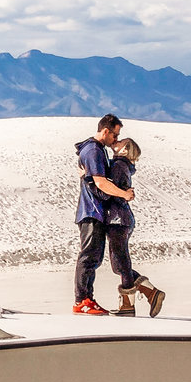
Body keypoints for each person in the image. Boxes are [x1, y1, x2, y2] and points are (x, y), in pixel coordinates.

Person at [72, 115, 166, 317]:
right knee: (95, 258)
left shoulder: (114, 161)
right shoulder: (95, 151)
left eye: (119, 137)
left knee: (114, 262)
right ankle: (85, 301)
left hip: (110, 217)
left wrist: (88, 180)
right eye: (116, 134)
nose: (116, 139)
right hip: (94, 212)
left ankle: (133, 301)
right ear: (106, 131)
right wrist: (123, 193)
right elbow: (102, 184)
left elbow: (103, 184)